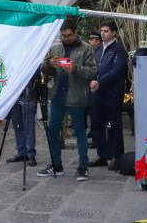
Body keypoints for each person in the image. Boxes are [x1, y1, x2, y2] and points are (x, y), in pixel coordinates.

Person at [38, 18, 96, 181]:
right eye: (63, 36)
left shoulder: (86, 49)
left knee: (79, 132)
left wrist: (75, 68)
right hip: (57, 96)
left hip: (77, 96)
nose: (66, 38)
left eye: (69, 35)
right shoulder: (55, 48)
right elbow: (44, 69)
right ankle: (56, 166)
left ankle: (83, 167)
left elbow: (92, 72)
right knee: (52, 130)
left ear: (75, 33)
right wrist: (49, 64)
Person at [89, 21, 127, 170]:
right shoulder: (97, 49)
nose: (103, 33)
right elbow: (93, 68)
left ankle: (117, 157)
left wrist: (99, 82)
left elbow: (117, 72)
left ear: (114, 33)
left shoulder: (119, 50)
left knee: (112, 126)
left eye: (106, 31)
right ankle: (102, 156)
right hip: (97, 94)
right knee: (97, 125)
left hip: (111, 94)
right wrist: (90, 80)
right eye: (102, 31)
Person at [7, 67, 40, 166]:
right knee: (17, 125)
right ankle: (21, 151)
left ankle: (31, 154)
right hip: (15, 93)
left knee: (29, 126)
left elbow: (37, 73)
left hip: (29, 93)